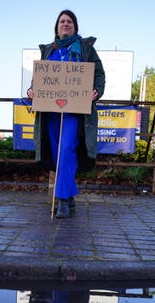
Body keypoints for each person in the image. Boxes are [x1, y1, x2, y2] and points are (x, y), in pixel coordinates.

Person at [27, 9, 105, 218]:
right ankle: (69, 197)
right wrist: (32, 90)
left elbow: (98, 74)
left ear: (75, 26)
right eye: (62, 21)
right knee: (56, 153)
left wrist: (97, 91)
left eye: (69, 21)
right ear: (57, 26)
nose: (65, 24)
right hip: (51, 112)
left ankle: (61, 200)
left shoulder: (86, 48)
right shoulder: (48, 51)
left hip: (75, 111)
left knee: (67, 148)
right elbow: (39, 78)